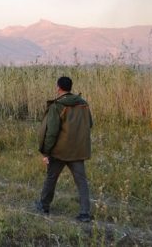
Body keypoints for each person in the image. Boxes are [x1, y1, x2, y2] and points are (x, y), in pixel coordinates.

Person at [36, 76, 94, 222]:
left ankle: (44, 206)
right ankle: (85, 213)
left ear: (58, 87)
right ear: (70, 87)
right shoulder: (84, 104)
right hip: (78, 150)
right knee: (81, 182)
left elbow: (52, 132)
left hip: (60, 152)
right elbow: (90, 124)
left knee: (51, 178)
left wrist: (46, 152)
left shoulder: (57, 106)